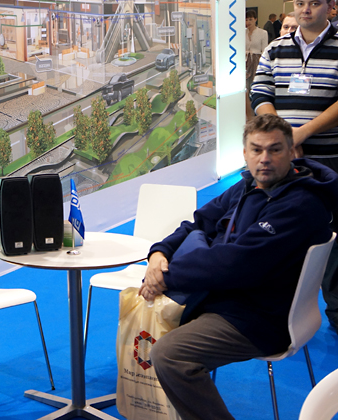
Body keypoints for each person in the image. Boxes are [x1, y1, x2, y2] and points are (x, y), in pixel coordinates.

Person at [140, 114, 338, 420]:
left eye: (275, 149)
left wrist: (167, 278)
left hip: (262, 317)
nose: (265, 159)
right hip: (226, 298)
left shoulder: (301, 204)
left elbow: (236, 264)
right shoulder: (246, 186)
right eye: (256, 150)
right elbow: (199, 222)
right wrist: (159, 252)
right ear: (245, 153)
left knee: (170, 355)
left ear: (292, 151)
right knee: (139, 308)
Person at [251, 0, 338, 332]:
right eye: (300, 3)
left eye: (314, 3)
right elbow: (260, 94)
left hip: (329, 159)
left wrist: (303, 132)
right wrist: (284, 138)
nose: (306, 10)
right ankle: (276, 311)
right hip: (283, 161)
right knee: (279, 232)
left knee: (332, 237)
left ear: (331, 7)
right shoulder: (276, 48)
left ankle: (336, 312)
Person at [245, 10, 267, 118]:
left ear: (255, 19)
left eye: (250, 19)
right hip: (245, 61)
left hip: (257, 61)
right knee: (245, 88)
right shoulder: (242, 32)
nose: (248, 22)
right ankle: (248, 116)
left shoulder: (262, 33)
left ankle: (257, 115)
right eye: (246, 20)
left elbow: (264, 51)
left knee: (255, 87)